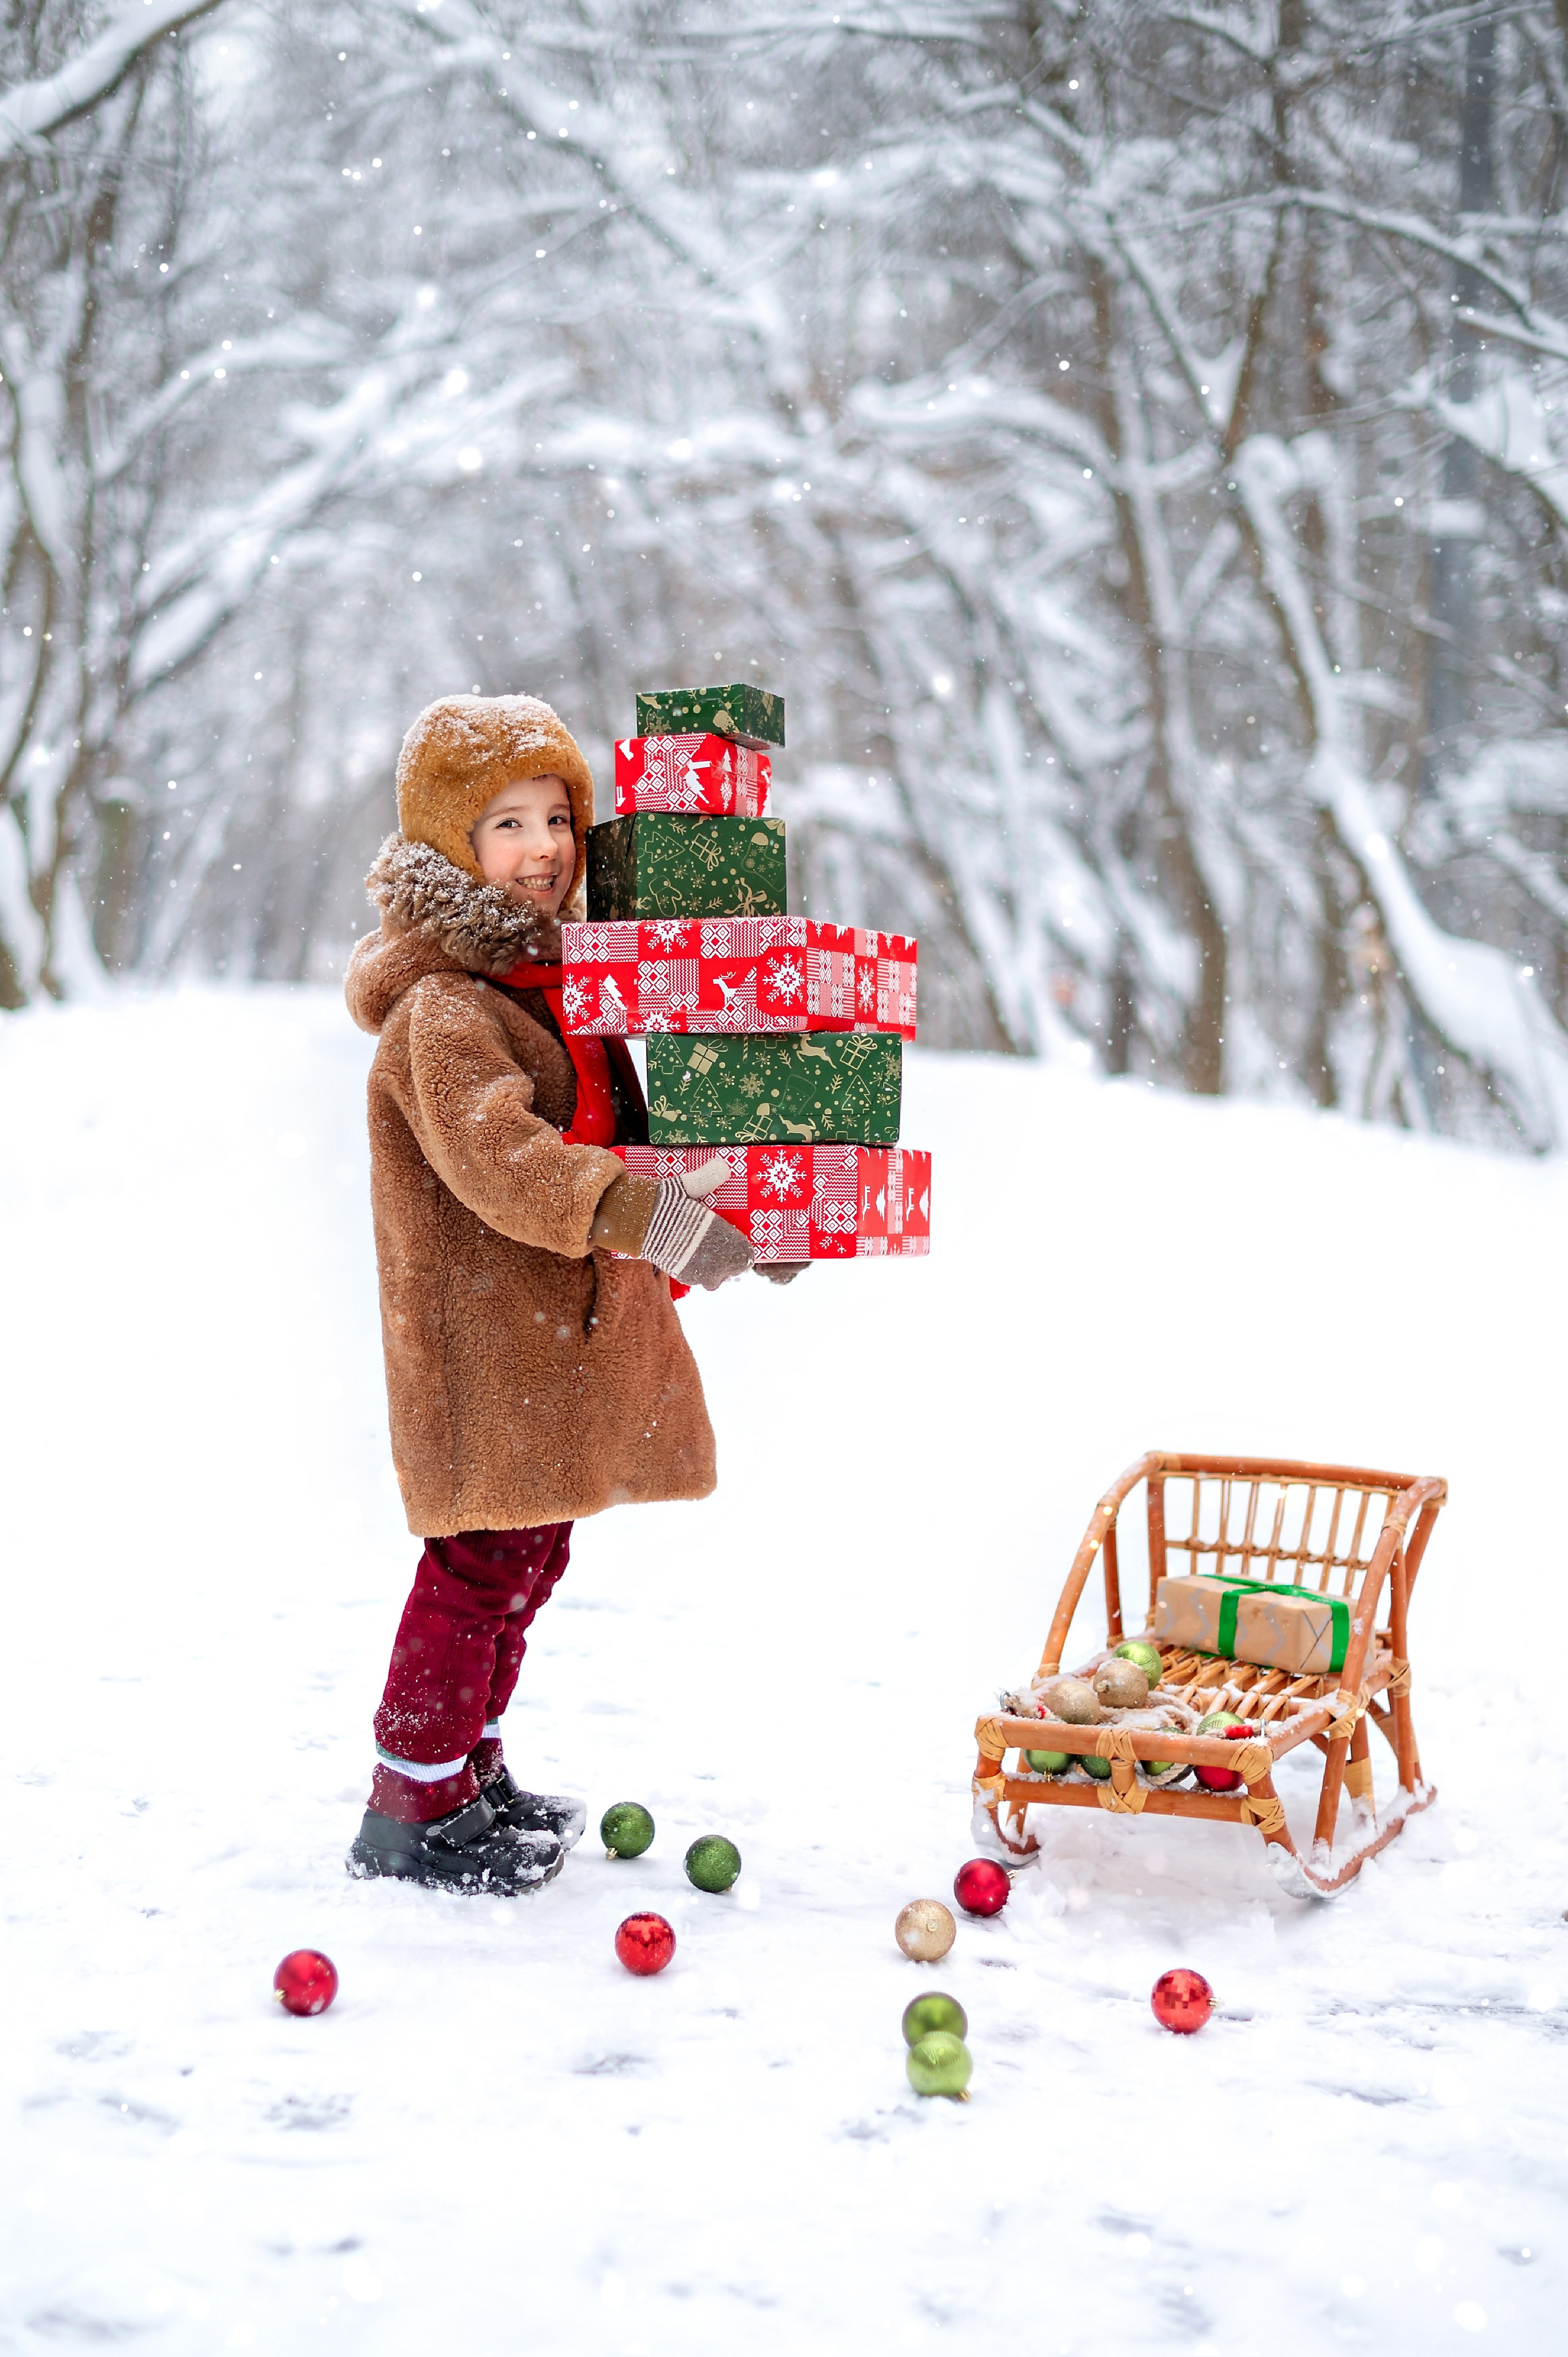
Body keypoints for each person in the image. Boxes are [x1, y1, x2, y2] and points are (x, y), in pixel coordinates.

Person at [342, 692, 782, 1895]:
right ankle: (409, 1798)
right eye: (505, 824)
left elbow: (632, 1139)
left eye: (557, 819)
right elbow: (507, 1158)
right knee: (477, 1565)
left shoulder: (563, 989)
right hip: (487, 1346)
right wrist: (644, 1212)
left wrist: (743, 1206)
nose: (542, 848)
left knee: (528, 1562)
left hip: (562, 1345)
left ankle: (469, 1767)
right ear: (447, 845)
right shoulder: (445, 1009)